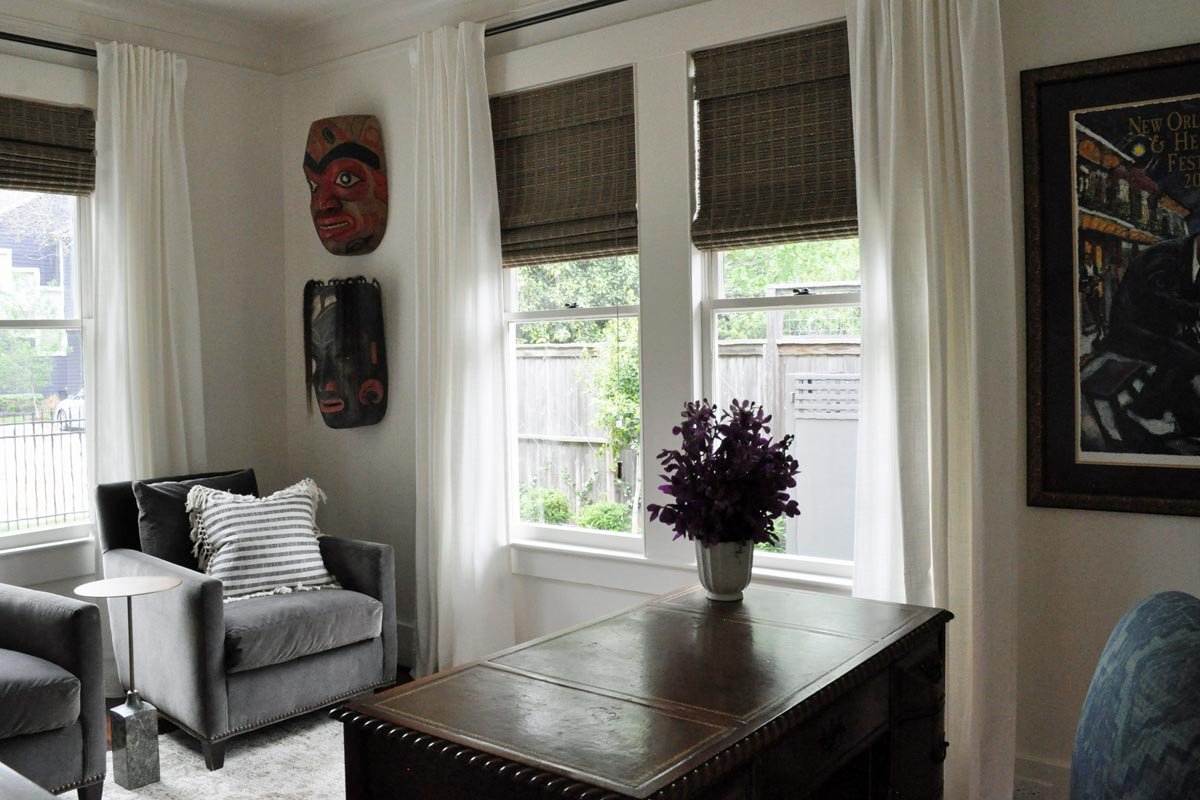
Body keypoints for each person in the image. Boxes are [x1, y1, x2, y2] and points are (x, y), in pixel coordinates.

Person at [1102, 233, 1200, 434]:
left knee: (1188, 351)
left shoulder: (1193, 257)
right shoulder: (1166, 255)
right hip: (1131, 328)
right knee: (1186, 356)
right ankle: (1142, 412)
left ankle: (1190, 420)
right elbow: (1155, 301)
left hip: (1162, 327)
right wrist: (1194, 312)